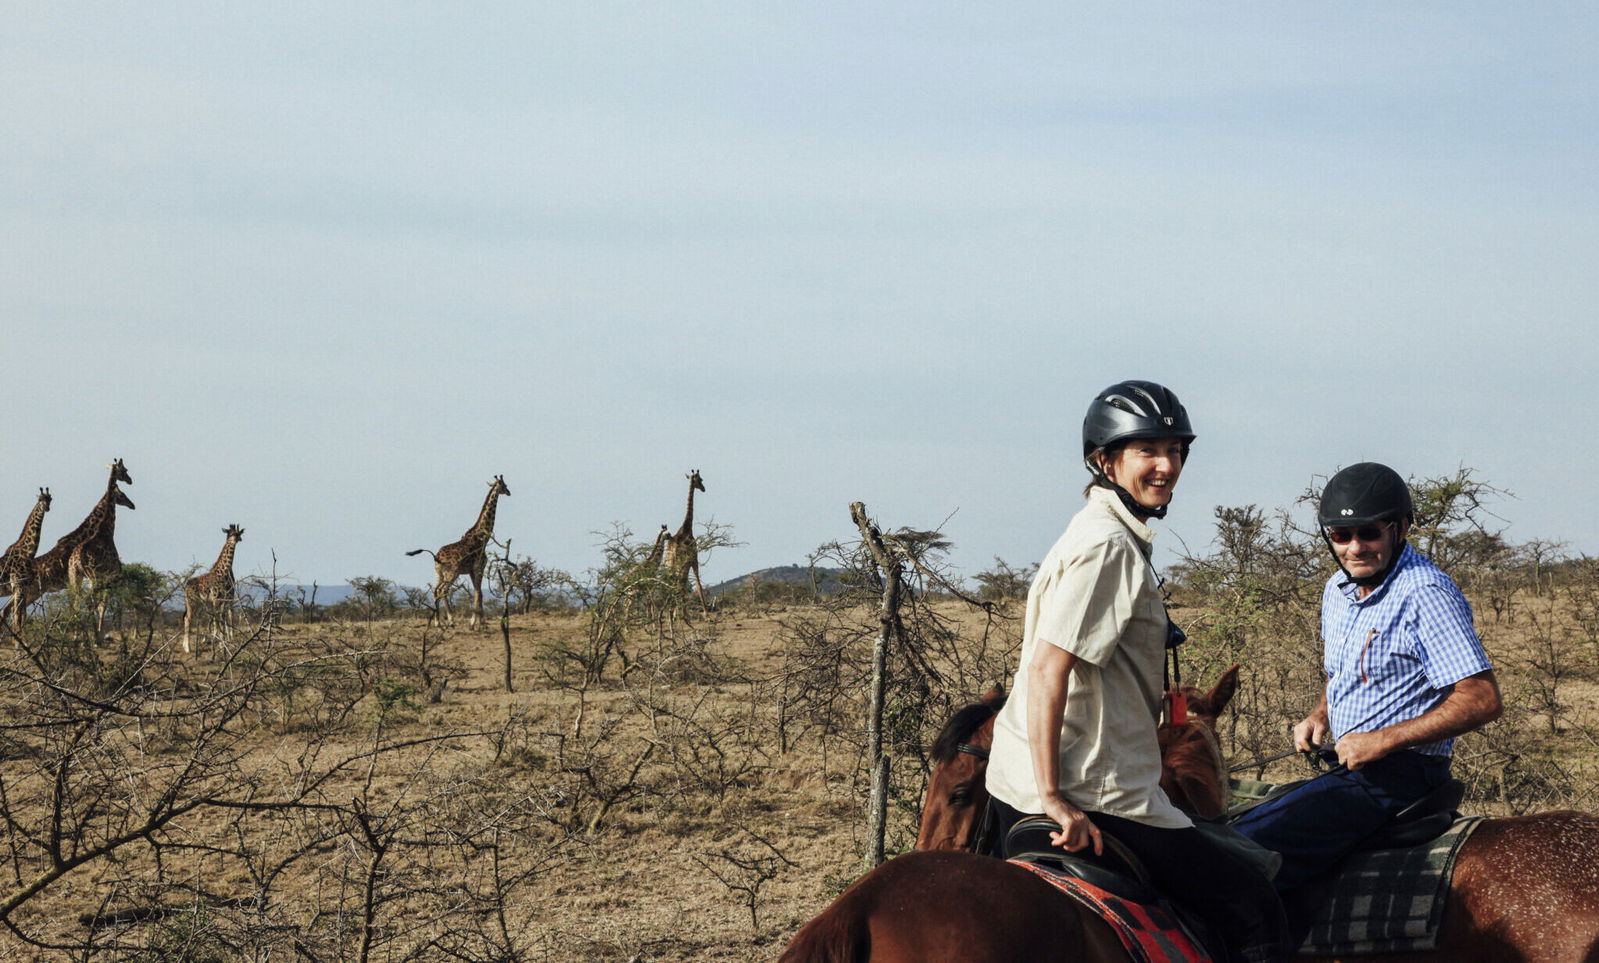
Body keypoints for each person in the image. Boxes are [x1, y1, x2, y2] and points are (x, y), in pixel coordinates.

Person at [984, 380, 1290, 963]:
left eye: (1175, 450)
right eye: (1147, 449)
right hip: (1096, 792)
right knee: (1253, 904)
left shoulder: (1094, 530)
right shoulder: (1109, 547)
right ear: (1106, 460)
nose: (1166, 465)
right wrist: (1055, 797)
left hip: (1014, 780)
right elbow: (1051, 668)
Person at [1231, 461, 1502, 894]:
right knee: (1232, 825)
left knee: (1244, 853)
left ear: (1401, 528)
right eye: (1341, 536)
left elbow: (1481, 698)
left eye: (1369, 533)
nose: (1354, 548)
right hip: (1350, 768)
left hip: (1402, 776)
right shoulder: (1336, 591)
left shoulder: (1424, 592)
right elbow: (1345, 672)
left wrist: (1381, 740)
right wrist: (1320, 714)